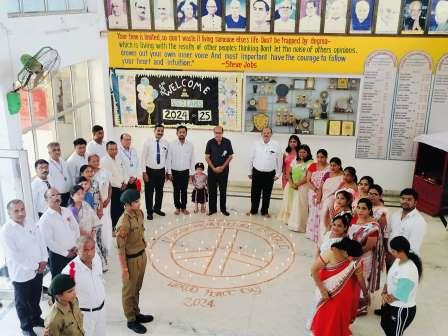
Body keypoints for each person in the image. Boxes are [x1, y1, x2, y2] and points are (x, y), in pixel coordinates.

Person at [0, 199, 48, 336]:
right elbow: (16, 256)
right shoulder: (6, 231)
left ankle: (36, 318)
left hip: (38, 268)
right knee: (22, 302)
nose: (21, 213)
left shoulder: (30, 221)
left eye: (22, 209)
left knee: (35, 297)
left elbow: (41, 240)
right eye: (16, 211)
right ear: (9, 213)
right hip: (21, 273)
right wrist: (35, 266)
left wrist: (44, 259)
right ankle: (26, 327)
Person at [310, 238, 369, 336]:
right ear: (346, 252)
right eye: (353, 258)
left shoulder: (354, 260)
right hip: (327, 291)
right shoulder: (330, 253)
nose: (354, 261)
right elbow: (313, 270)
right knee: (326, 316)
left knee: (339, 317)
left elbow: (360, 279)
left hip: (345, 295)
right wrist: (322, 290)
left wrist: (366, 294)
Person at [115, 189, 154, 334]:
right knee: (128, 291)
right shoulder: (123, 223)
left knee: (136, 288)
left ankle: (136, 313)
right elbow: (120, 249)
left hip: (141, 256)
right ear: (127, 204)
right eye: (136, 201)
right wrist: (124, 269)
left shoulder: (139, 213)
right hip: (130, 260)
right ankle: (131, 319)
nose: (139, 203)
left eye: (139, 200)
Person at [61, 236, 106, 336]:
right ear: (77, 251)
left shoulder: (97, 259)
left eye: (92, 249)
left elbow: (100, 279)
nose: (90, 253)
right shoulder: (70, 270)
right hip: (84, 316)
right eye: (85, 250)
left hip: (101, 312)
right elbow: (63, 297)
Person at [380, 236, 422, 336]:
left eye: (393, 251)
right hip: (391, 304)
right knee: (385, 325)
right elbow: (390, 278)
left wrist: (386, 297)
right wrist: (384, 292)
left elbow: (401, 294)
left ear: (401, 251)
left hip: (401, 309)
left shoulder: (409, 270)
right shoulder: (398, 260)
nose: (391, 253)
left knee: (395, 333)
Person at [348, 198, 384, 316]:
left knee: (362, 280)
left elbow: (368, 247)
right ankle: (350, 303)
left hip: (365, 258)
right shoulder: (353, 219)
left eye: (364, 208)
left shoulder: (373, 226)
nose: (360, 211)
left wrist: (352, 254)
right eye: (358, 207)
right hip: (350, 257)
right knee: (351, 281)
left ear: (369, 210)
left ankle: (361, 307)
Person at [39, 188, 80, 278]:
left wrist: (76, 245)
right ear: (46, 200)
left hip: (74, 252)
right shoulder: (45, 219)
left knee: (75, 280)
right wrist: (66, 253)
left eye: (58, 194)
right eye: (53, 195)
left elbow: (76, 228)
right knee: (60, 284)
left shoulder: (66, 210)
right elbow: (49, 242)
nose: (57, 197)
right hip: (58, 257)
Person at [247, 127, 282, 218]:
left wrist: (278, 174)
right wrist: (249, 171)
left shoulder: (276, 145)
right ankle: (253, 210)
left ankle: (264, 211)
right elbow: (251, 158)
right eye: (264, 133)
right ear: (261, 134)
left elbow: (279, 160)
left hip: (270, 174)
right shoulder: (256, 144)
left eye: (268, 133)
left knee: (267, 193)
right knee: (255, 193)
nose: (266, 134)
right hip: (256, 172)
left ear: (271, 134)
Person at [89, 155, 112, 270]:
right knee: (97, 232)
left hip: (105, 205)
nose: (96, 162)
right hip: (94, 209)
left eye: (97, 160)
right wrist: (99, 206)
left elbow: (109, 186)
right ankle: (98, 258)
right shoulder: (87, 179)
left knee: (106, 226)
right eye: (93, 161)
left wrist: (107, 200)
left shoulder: (104, 172)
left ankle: (106, 249)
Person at [141, 124, 169, 220]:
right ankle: (149, 212)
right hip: (150, 171)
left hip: (161, 171)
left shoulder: (165, 143)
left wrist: (167, 172)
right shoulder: (147, 142)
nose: (160, 132)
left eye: (162, 131)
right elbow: (143, 157)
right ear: (154, 131)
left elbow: (167, 159)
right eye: (158, 130)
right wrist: (144, 172)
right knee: (149, 192)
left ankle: (157, 208)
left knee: (159, 191)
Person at [388, 188, 427, 255]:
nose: (405, 201)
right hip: (389, 256)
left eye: (409, 199)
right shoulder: (395, 215)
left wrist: (399, 259)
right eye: (403, 198)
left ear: (415, 202)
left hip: (404, 259)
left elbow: (413, 247)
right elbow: (389, 233)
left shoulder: (419, 222)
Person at [205, 126, 234, 216]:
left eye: (219, 133)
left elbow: (230, 156)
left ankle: (223, 209)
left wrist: (222, 167)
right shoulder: (210, 142)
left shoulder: (227, 142)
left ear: (222, 132)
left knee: (223, 191)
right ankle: (212, 209)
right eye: (216, 133)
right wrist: (214, 168)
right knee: (212, 191)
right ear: (214, 133)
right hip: (212, 171)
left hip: (224, 171)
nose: (218, 134)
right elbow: (207, 157)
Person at [167, 125, 195, 215]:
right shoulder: (171, 144)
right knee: (176, 190)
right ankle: (177, 207)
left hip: (185, 172)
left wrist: (191, 173)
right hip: (174, 171)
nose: (182, 134)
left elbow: (192, 159)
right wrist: (169, 172)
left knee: (184, 190)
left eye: (183, 132)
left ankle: (183, 207)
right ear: (177, 133)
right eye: (180, 132)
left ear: (186, 133)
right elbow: (168, 159)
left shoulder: (190, 145)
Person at [101, 141, 127, 231]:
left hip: (122, 187)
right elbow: (108, 177)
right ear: (107, 150)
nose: (114, 151)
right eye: (111, 149)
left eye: (115, 149)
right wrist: (119, 184)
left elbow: (124, 170)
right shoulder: (104, 161)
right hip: (113, 188)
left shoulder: (119, 158)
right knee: (114, 209)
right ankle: (113, 227)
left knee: (121, 208)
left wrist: (125, 182)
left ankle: (120, 226)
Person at [287, 144, 314, 232]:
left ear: (308, 153)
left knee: (302, 205)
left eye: (304, 152)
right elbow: (289, 172)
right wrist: (291, 183)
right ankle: (293, 224)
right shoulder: (295, 160)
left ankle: (301, 226)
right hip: (293, 186)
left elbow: (307, 177)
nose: (301, 154)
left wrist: (297, 184)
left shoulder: (310, 163)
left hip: (304, 187)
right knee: (294, 204)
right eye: (300, 152)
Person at [316, 157, 343, 242]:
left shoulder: (343, 176)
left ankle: (330, 237)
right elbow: (321, 187)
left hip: (336, 201)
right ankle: (322, 237)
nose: (332, 167)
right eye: (331, 165)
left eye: (334, 165)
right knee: (323, 217)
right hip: (325, 199)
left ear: (339, 166)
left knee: (331, 218)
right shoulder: (327, 174)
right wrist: (318, 198)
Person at [305, 149, 329, 243]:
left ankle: (321, 234)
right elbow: (308, 180)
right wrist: (315, 190)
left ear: (326, 157)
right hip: (312, 192)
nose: (319, 159)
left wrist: (321, 191)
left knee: (322, 213)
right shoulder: (313, 166)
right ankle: (311, 233)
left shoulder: (329, 167)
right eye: (318, 157)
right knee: (313, 212)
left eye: (322, 157)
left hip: (324, 193)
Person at [277, 135, 300, 223]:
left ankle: (293, 215)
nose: (293, 143)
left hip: (295, 178)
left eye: (294, 142)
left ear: (297, 142)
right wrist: (284, 174)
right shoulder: (286, 153)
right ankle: (286, 214)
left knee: (294, 196)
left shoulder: (300, 153)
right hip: (285, 177)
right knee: (286, 196)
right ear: (288, 143)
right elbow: (283, 165)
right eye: (291, 142)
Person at [47, 142, 72, 207]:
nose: (57, 152)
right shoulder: (48, 165)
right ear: (49, 153)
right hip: (58, 195)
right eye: (54, 150)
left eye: (58, 150)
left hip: (68, 192)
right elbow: (50, 182)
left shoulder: (63, 160)